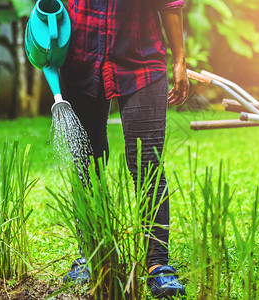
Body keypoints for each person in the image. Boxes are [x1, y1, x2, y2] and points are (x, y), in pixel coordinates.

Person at [59, 0, 189, 298]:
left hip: (141, 61)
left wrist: (180, 60)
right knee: (86, 161)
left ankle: (158, 265)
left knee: (147, 162)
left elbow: (170, 4)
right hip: (79, 60)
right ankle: (91, 255)